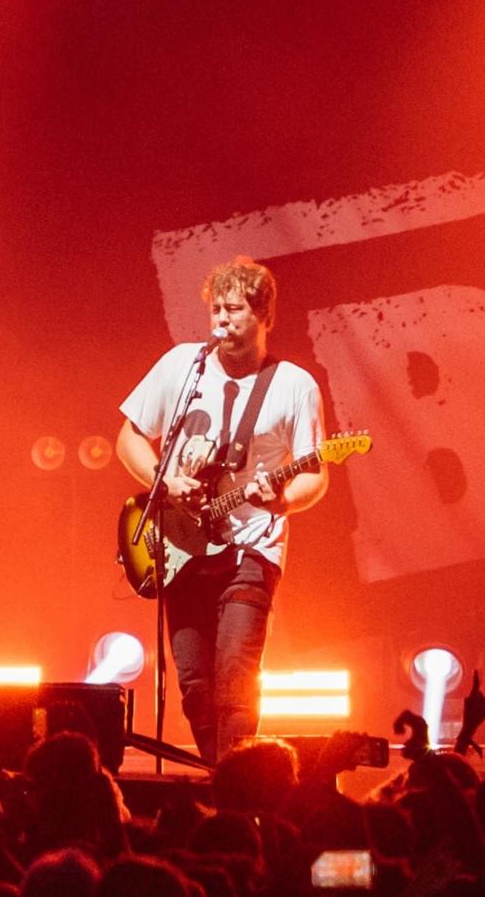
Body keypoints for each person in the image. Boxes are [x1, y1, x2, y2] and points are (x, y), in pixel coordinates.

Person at [116, 257, 332, 760]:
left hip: (251, 550)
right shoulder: (181, 367)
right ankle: (222, 777)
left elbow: (315, 473)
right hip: (181, 548)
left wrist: (279, 498)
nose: (221, 320)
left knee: (236, 681)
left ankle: (242, 791)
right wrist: (164, 481)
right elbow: (129, 435)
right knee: (194, 685)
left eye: (234, 310)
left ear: (264, 316)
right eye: (216, 309)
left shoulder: (294, 385)